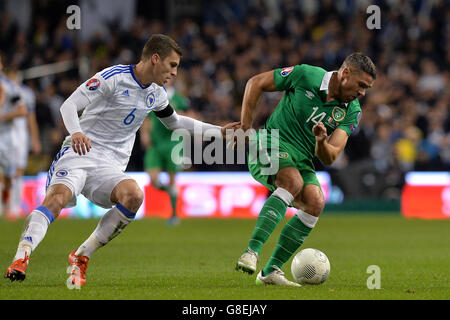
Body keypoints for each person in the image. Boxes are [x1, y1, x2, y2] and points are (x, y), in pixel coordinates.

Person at [4, 34, 239, 285]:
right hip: (80, 152)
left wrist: (219, 131)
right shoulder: (113, 78)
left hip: (110, 165)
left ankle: (81, 256)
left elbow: (176, 122)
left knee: (134, 196)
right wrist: (77, 133)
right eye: (172, 65)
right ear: (155, 59)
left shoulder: (157, 94)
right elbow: (69, 106)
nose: (174, 73)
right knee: (57, 198)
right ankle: (21, 258)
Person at [235, 52, 376, 286]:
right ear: (346, 73)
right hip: (271, 141)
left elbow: (330, 157)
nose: (362, 93)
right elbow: (255, 83)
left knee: (315, 202)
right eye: (361, 85)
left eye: (367, 88)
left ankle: (270, 271)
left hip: (301, 158)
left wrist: (321, 141)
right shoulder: (305, 75)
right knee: (293, 182)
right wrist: (246, 128)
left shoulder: (352, 112)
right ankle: (251, 251)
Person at [140, 76, 189, 226]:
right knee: (153, 179)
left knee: (172, 179)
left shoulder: (179, 100)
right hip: (156, 143)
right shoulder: (152, 97)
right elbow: (147, 118)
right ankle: (169, 192)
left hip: (173, 143)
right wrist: (145, 133)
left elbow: (185, 118)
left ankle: (174, 214)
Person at [6, 69, 42, 219]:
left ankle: (14, 208)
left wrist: (35, 139)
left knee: (18, 170)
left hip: (20, 135)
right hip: (5, 133)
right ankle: (4, 206)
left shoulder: (26, 93)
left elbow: (31, 118)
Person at [0, 57, 28, 219]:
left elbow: (22, 110)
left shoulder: (10, 87)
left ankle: (7, 203)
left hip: (6, 136)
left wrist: (2, 116)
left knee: (9, 175)